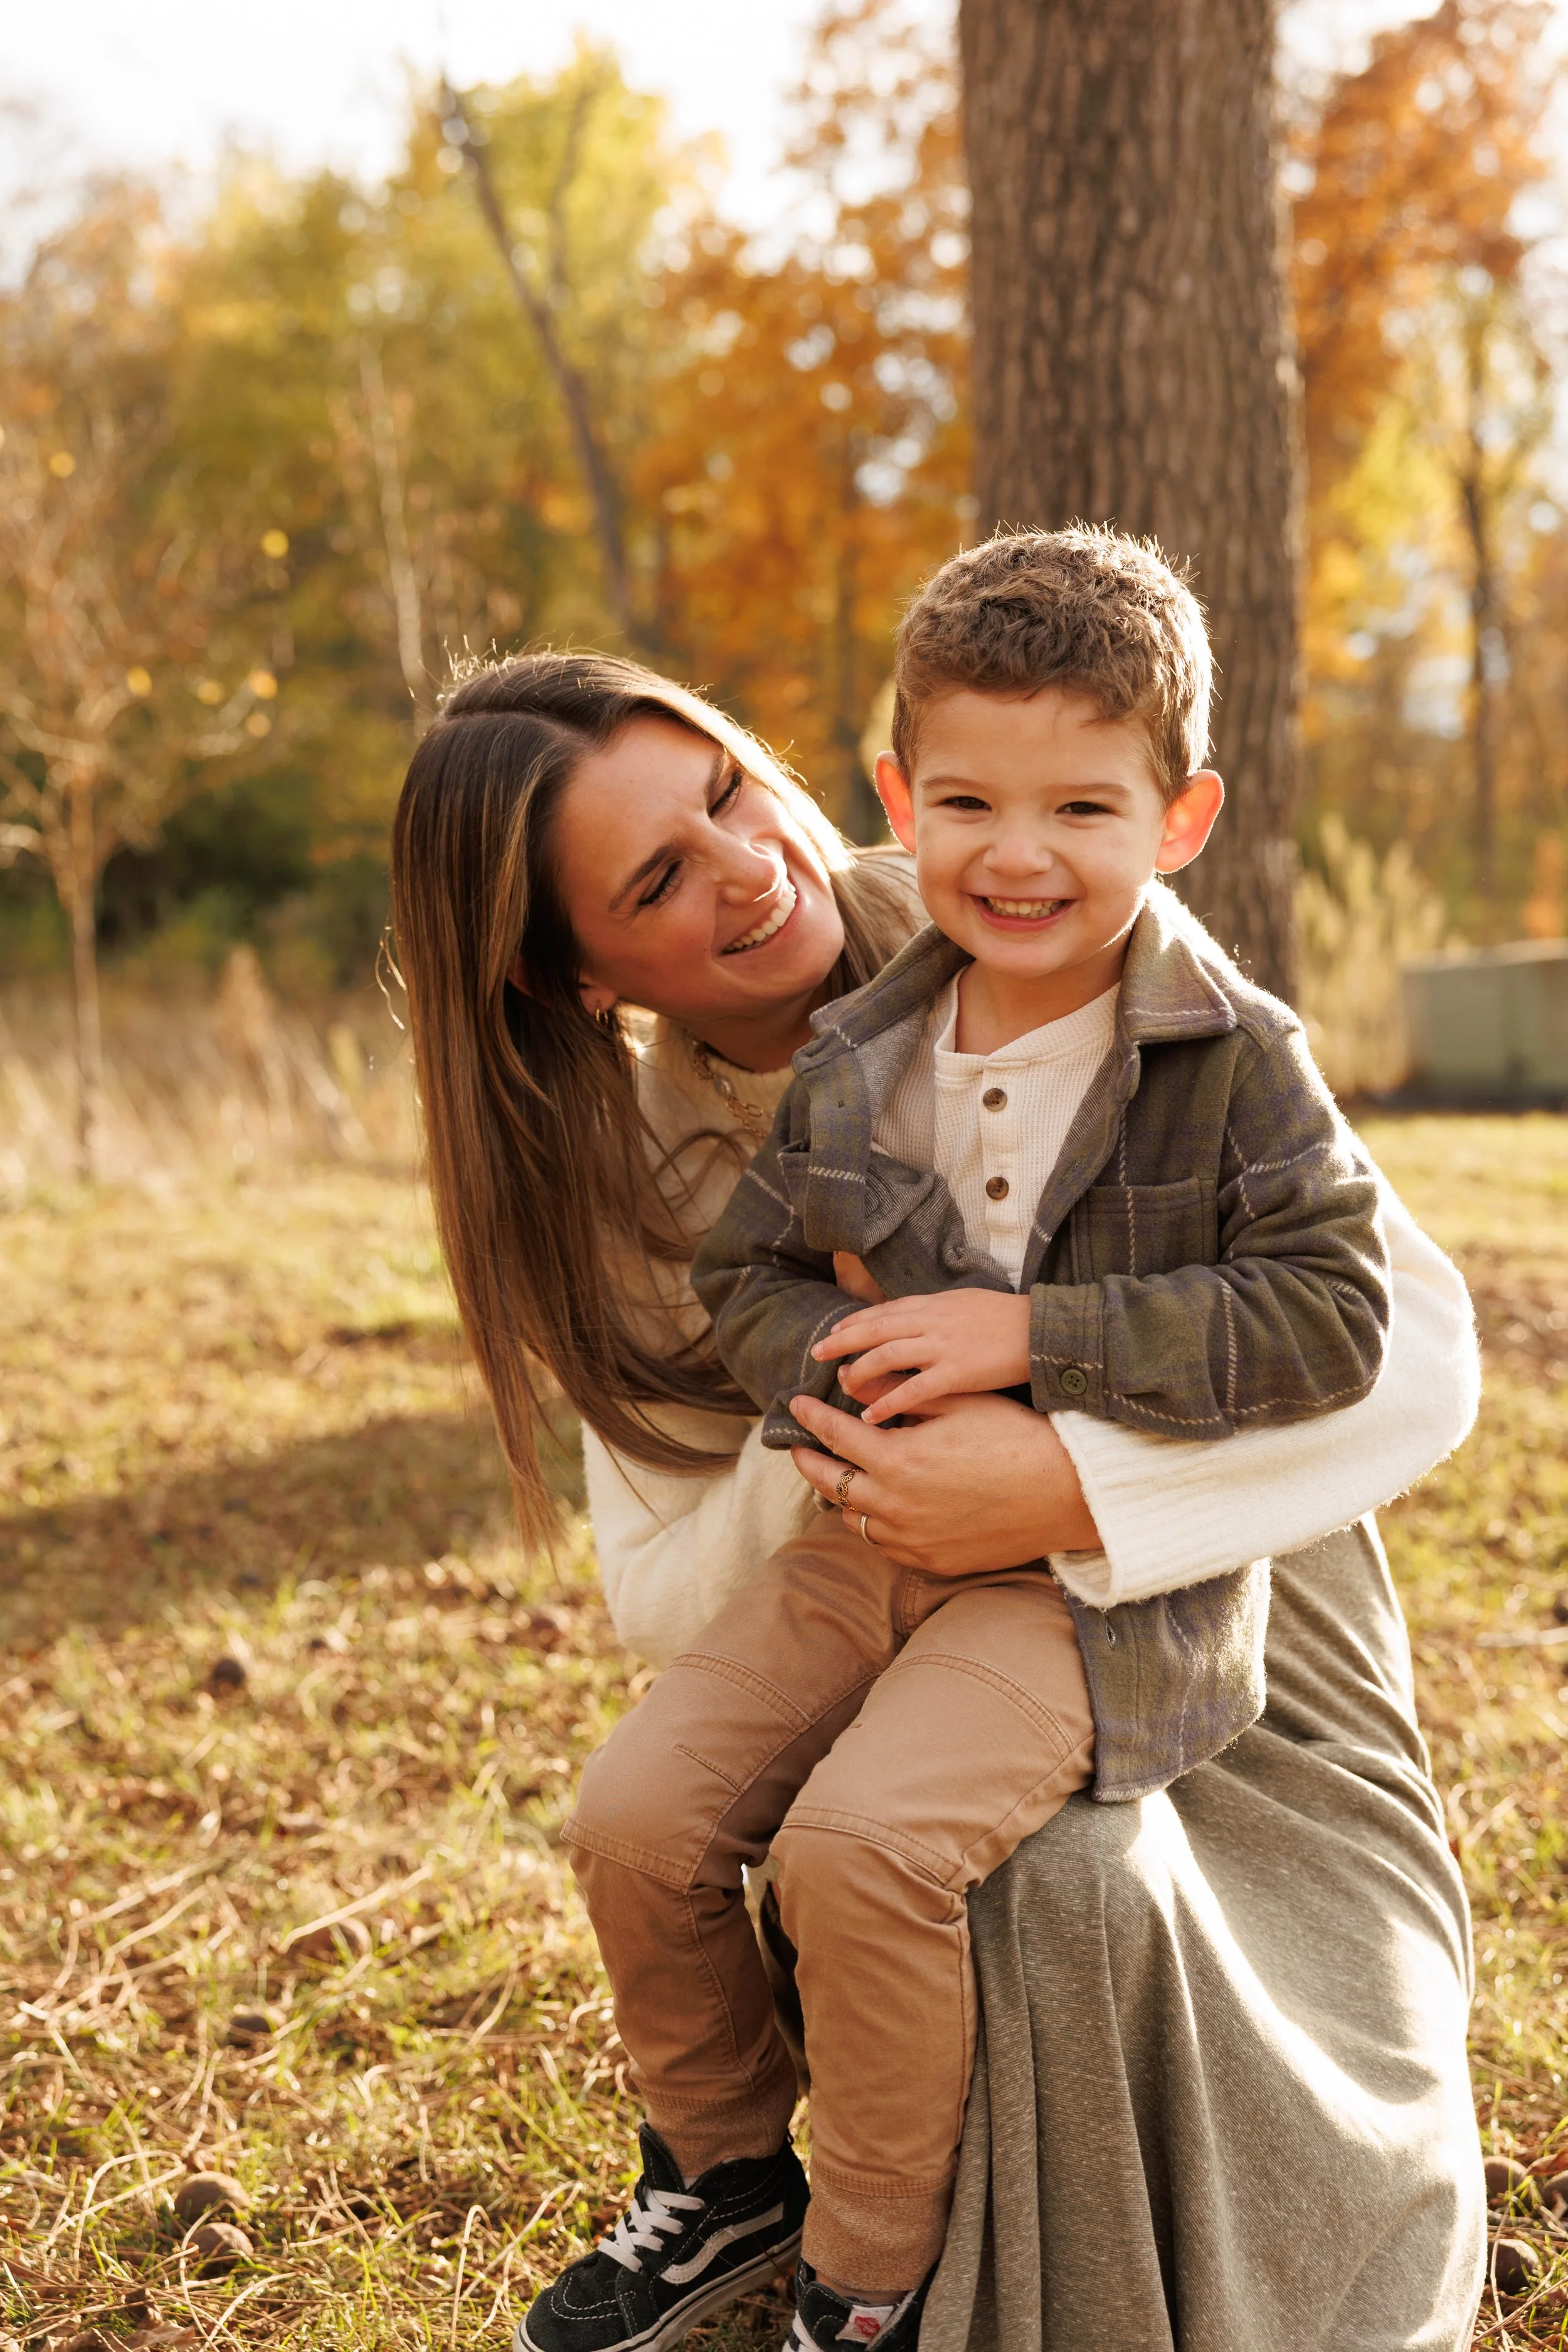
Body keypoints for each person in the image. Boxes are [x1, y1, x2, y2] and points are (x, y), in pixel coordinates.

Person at [388, 648, 1486, 2352]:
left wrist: (1058, 1463)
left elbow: (1406, 1351)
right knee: (977, 1874)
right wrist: (862, 1428)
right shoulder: (627, 1179)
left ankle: (1129, 2265)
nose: (748, 863)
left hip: (1228, 1596)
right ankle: (791, 2228)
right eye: (659, 877)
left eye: (729, 793)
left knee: (1047, 1884)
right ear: (563, 970)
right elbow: (670, 1592)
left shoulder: (1029, 906)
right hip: (892, 1606)